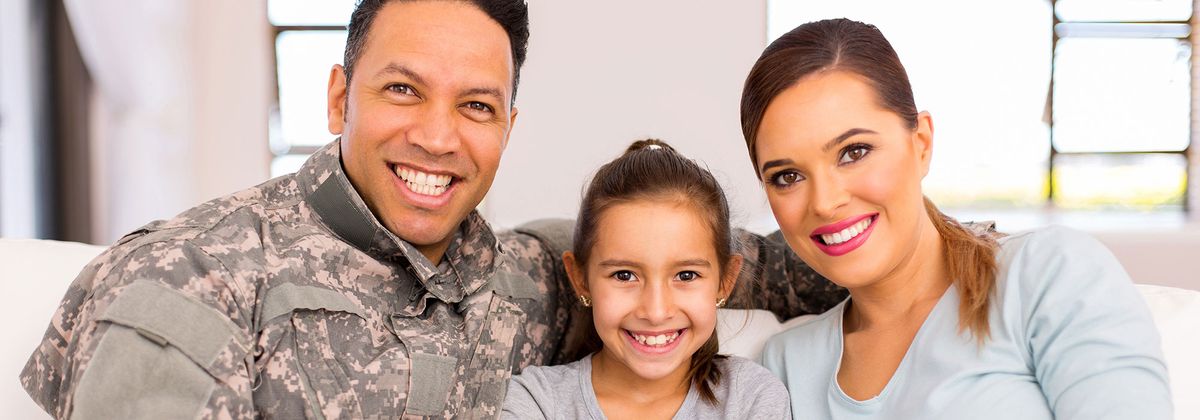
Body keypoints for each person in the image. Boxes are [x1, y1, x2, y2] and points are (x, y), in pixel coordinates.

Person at [19, 1, 848, 418]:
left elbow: (787, 262)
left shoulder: (538, 275)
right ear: (340, 93)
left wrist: (971, 264)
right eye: (403, 90)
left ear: (508, 128)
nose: (438, 137)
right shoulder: (191, 278)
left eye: (477, 106)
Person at [742, 18, 1173, 419]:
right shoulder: (784, 367)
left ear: (922, 143)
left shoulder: (1046, 274)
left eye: (855, 152)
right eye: (788, 176)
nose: (825, 202)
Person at [501, 140, 790, 419]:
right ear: (581, 279)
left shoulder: (751, 398)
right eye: (624, 275)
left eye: (686, 275)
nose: (655, 312)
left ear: (725, 281)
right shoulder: (534, 401)